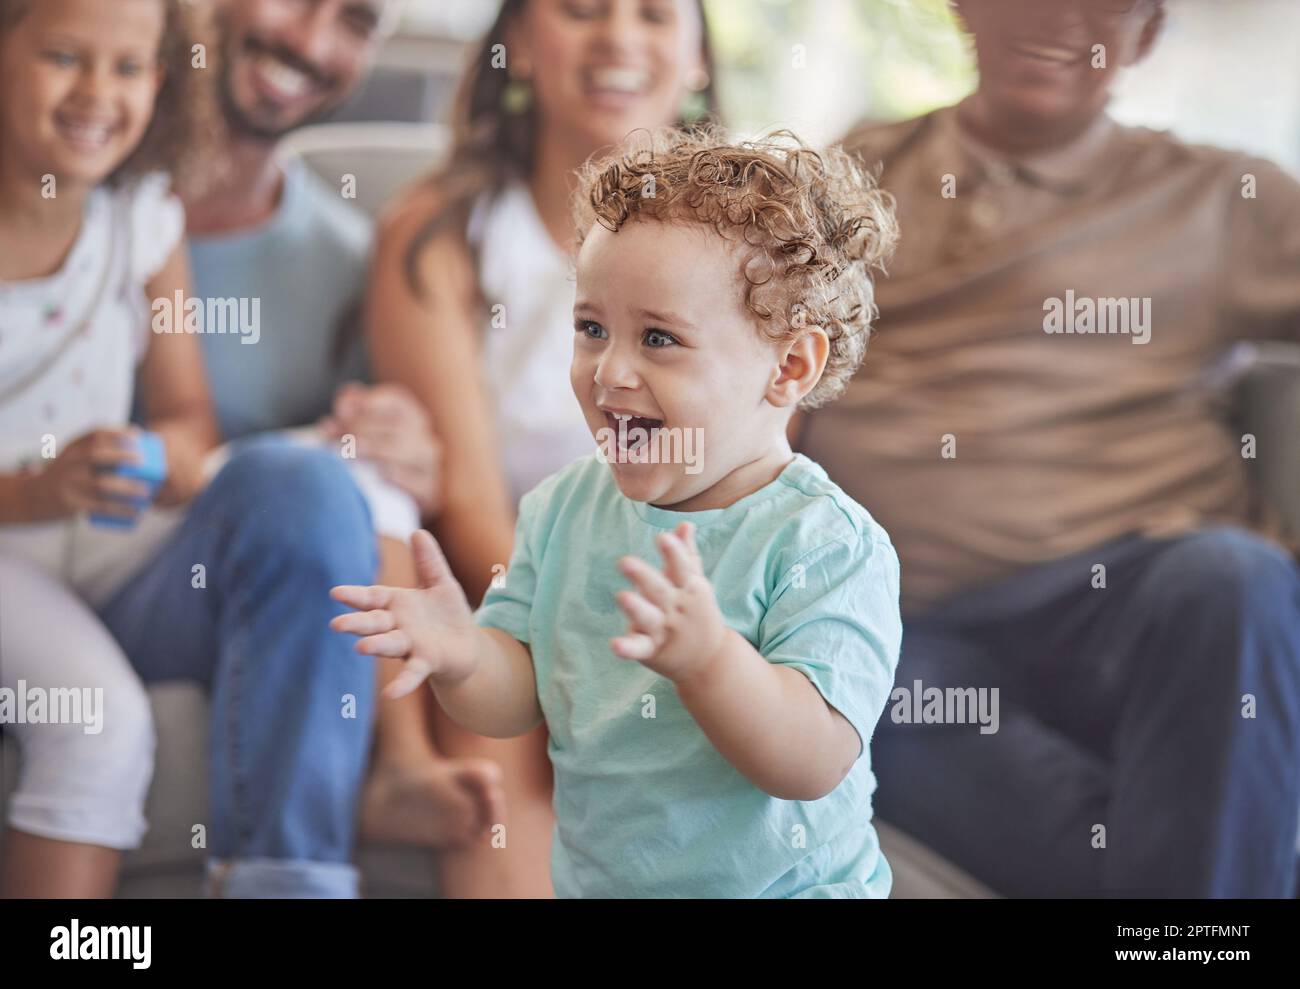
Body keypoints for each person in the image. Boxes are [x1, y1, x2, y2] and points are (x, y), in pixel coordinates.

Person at [800, 0, 1300, 896]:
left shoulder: (1227, 199)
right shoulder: (853, 174)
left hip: (1136, 602)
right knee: (837, 682)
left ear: (1148, 33)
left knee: (1235, 577)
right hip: (909, 624)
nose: (1061, 19)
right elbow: (753, 362)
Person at [332, 130, 904, 897]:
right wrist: (464, 653)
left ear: (789, 366)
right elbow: (518, 697)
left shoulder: (828, 543)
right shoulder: (565, 507)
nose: (610, 371)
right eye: (592, 328)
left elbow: (812, 760)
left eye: (659, 338)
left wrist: (710, 661)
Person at [364, 0, 718, 896]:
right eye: (581, 10)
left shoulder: (742, 255)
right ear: (517, 45)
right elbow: (468, 500)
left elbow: (743, 487)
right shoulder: (440, 235)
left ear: (698, 59)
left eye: (653, 14)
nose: (618, 37)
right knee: (488, 702)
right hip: (512, 585)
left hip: (684, 596)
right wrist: (579, 637)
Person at [183, 0, 506, 858]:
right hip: (60, 561)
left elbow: (369, 491)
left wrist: (407, 452)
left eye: (356, 19)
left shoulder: (348, 259)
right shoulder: (66, 201)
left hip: (234, 588)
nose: (310, 41)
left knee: (326, 483)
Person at [0, 0, 218, 897]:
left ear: (161, 80)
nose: (98, 93)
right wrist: (32, 492)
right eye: (64, 56)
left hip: (96, 532)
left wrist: (152, 457)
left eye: (128, 67)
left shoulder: (144, 220)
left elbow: (190, 419)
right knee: (96, 722)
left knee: (322, 502)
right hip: (11, 538)